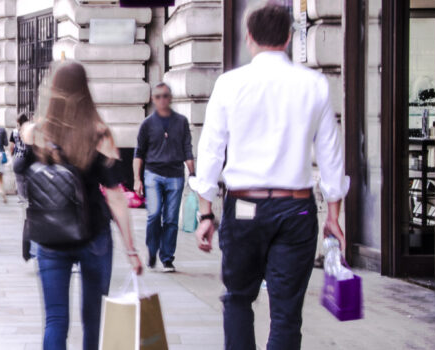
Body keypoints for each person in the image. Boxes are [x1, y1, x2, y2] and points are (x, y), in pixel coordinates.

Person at [190, 5, 349, 349]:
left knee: (237, 298)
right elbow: (331, 154)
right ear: (290, 38)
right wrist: (334, 215)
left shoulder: (230, 84)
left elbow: (211, 150)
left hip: (244, 205)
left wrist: (205, 212)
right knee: (287, 312)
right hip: (297, 209)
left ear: (249, 38)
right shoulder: (314, 84)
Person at [15, 61, 143, 350]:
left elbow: (19, 169)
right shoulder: (98, 133)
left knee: (55, 320)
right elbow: (115, 197)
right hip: (93, 235)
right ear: (85, 90)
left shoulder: (35, 133)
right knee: (93, 319)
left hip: (49, 235)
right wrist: (131, 249)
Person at [132, 82, 195, 273]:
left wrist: (192, 172)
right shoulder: (147, 124)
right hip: (153, 173)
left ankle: (167, 257)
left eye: (165, 96)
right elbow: (138, 153)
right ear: (153, 99)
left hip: (175, 174)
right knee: (154, 214)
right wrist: (137, 179)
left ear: (171, 98)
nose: (162, 100)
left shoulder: (181, 121)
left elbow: (187, 148)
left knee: (171, 219)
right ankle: (152, 250)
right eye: (158, 96)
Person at [9, 113, 30, 203]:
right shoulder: (29, 130)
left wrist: (11, 155)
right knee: (28, 177)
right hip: (28, 157)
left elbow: (11, 146)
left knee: (19, 178)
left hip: (18, 156)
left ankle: (22, 197)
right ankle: (29, 196)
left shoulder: (14, 132)